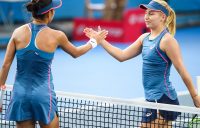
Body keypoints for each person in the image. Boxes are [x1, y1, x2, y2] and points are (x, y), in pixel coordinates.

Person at [84, 0, 200, 127]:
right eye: (146, 13)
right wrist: (101, 41)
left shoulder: (167, 41)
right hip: (152, 99)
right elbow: (121, 56)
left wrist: (194, 96)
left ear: (162, 17)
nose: (146, 16)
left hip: (162, 99)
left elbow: (182, 70)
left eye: (151, 13)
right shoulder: (144, 38)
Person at [0, 0, 108, 127]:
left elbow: (5, 65)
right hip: (43, 96)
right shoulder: (57, 35)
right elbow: (76, 53)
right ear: (50, 13)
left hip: (20, 96)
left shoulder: (17, 32)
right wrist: (94, 41)